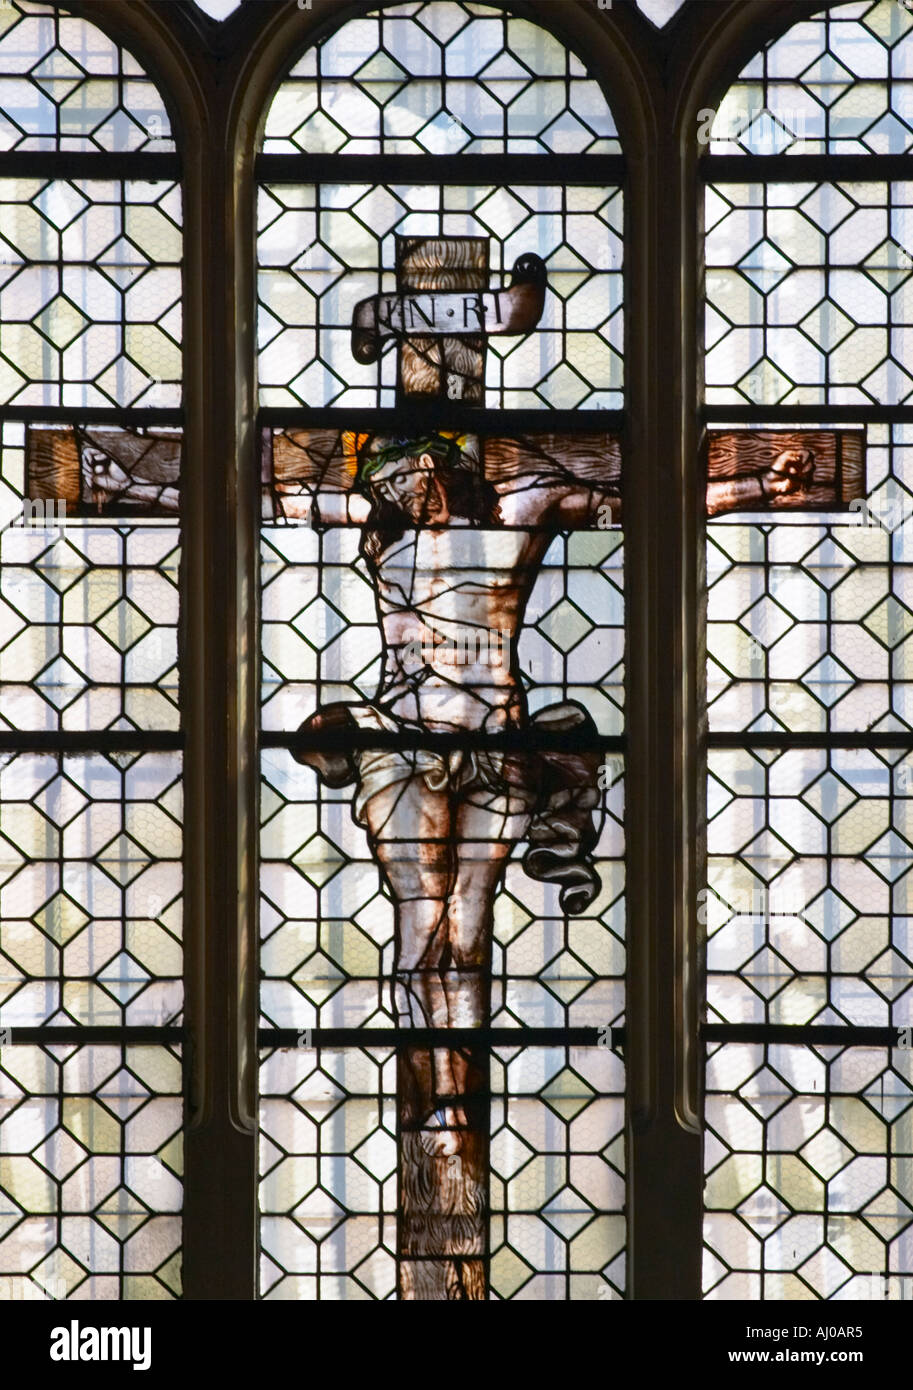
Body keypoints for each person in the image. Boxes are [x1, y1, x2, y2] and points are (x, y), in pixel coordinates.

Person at [291, 432, 617, 1153]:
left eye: (410, 477)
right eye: (390, 486)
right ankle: (428, 1095)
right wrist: (134, 482)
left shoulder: (521, 520)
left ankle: (458, 1100)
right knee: (419, 932)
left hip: (496, 749)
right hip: (401, 746)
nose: (404, 494)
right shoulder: (383, 542)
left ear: (444, 470)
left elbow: (651, 497)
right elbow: (256, 493)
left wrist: (758, 487)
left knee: (466, 931)